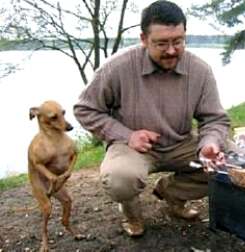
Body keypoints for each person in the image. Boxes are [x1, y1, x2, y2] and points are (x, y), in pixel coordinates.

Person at [74, 0, 236, 237]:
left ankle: (172, 195)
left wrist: (209, 143)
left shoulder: (200, 70)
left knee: (230, 161)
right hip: (133, 147)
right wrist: (127, 135)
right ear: (143, 39)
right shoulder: (117, 67)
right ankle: (131, 215)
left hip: (181, 143)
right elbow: (85, 109)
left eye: (178, 41)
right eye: (161, 43)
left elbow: (215, 119)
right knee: (120, 178)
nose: (171, 50)